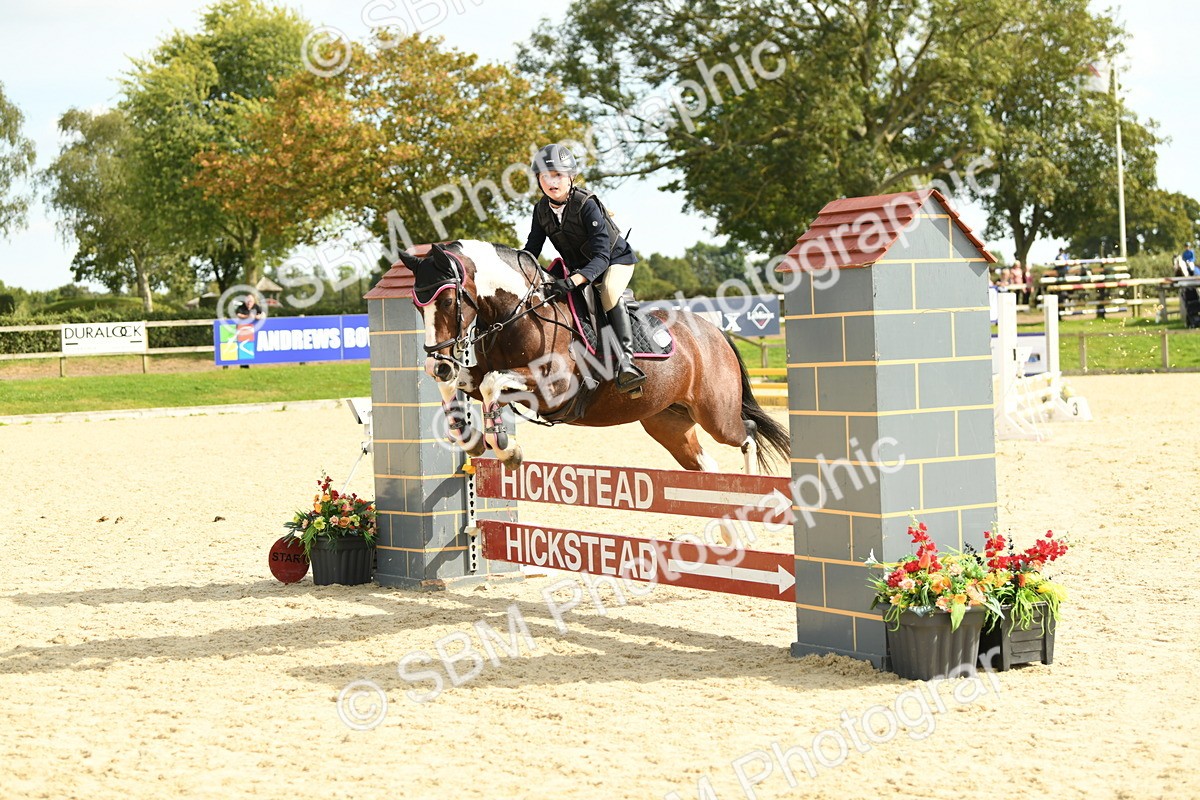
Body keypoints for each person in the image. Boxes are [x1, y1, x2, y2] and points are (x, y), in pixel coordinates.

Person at [523, 143, 645, 394]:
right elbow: (531, 249)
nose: (550, 181)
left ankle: (626, 363)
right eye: (544, 176)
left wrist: (576, 279)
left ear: (570, 177)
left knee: (609, 292)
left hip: (614, 261)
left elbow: (601, 256)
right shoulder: (541, 210)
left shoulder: (586, 204)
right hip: (580, 267)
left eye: (557, 175)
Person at [233, 293, 265, 369]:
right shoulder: (241, 307)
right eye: (247, 301)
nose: (249, 302)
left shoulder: (257, 307)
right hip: (243, 332)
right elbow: (238, 315)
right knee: (244, 348)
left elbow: (263, 315)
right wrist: (248, 317)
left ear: (254, 301)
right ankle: (244, 366)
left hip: (255, 332)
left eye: (251, 301)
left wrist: (257, 317)